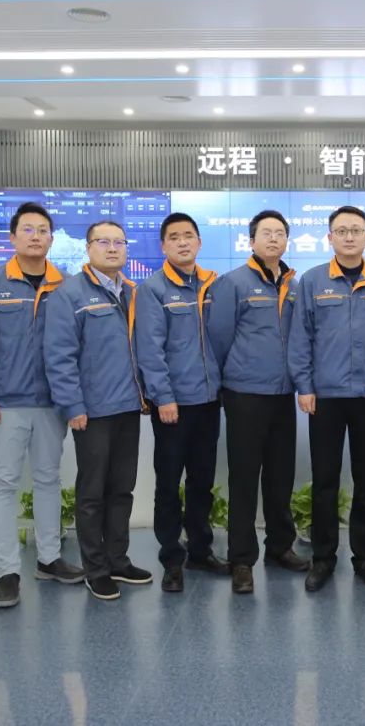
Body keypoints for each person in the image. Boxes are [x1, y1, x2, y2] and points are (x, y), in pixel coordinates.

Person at [0, 202, 84, 609]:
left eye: (43, 230)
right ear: (12, 237)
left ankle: (49, 559)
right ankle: (8, 572)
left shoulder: (67, 285)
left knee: (48, 480)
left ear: (52, 238)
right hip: (6, 403)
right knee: (3, 485)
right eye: (28, 230)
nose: (36, 236)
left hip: (52, 403)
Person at [288, 205, 365, 593]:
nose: (349, 237)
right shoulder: (313, 280)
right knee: (325, 481)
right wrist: (305, 386)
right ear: (329, 237)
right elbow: (300, 337)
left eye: (356, 230)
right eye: (341, 230)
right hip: (326, 397)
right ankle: (323, 558)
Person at [44, 220, 152, 601]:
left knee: (122, 488)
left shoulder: (133, 292)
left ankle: (118, 560)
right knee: (92, 492)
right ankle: (96, 568)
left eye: (119, 242)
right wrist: (73, 404)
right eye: (103, 241)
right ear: (88, 248)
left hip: (128, 406)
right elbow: (59, 356)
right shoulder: (69, 294)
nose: (112, 248)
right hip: (91, 411)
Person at [207, 209, 310, 594]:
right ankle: (241, 559)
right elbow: (218, 337)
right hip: (244, 393)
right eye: (266, 233)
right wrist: (227, 382)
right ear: (251, 241)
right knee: (245, 477)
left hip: (283, 394)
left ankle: (280, 547)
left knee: (281, 475)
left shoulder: (293, 284)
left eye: (279, 233)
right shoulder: (233, 282)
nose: (273, 239)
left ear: (287, 241)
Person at [135, 212, 229, 594]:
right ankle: (172, 558)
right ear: (163, 246)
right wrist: (163, 397)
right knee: (169, 483)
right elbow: (150, 349)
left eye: (188, 235)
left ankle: (200, 549)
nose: (183, 242)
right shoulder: (153, 289)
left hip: (209, 401)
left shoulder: (213, 285)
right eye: (174, 237)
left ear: (200, 242)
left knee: (202, 481)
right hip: (172, 405)